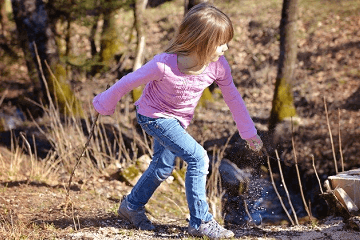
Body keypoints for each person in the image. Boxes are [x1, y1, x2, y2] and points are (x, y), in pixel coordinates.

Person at [92, 2, 263, 239]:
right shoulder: (164, 64)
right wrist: (104, 103)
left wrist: (249, 133)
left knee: (162, 168)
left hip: (178, 121)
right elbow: (128, 81)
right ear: (201, 41)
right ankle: (201, 221)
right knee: (198, 157)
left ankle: (130, 207)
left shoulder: (218, 67)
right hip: (153, 117)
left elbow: (233, 98)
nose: (226, 48)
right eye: (221, 42)